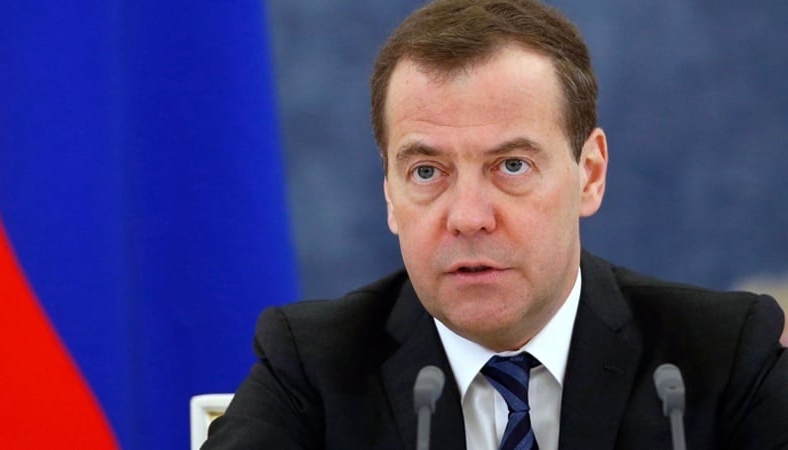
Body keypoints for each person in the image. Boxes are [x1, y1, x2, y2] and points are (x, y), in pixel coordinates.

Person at [203, 0, 788, 448]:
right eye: (427, 171)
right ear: (389, 193)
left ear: (589, 174)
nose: (468, 217)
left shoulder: (717, 357)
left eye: (511, 166)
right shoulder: (314, 367)